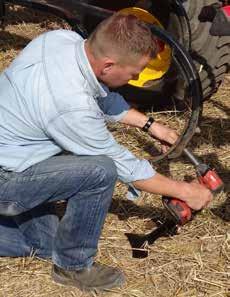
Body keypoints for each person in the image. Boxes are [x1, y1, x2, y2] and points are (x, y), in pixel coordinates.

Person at [0, 13, 212, 292]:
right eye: (134, 72)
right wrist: (186, 192)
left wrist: (150, 125)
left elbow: (102, 94)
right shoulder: (70, 105)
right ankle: (73, 267)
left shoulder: (62, 41)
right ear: (109, 65)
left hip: (17, 155)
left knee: (44, 246)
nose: (136, 77)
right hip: (8, 178)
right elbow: (124, 167)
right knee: (100, 171)